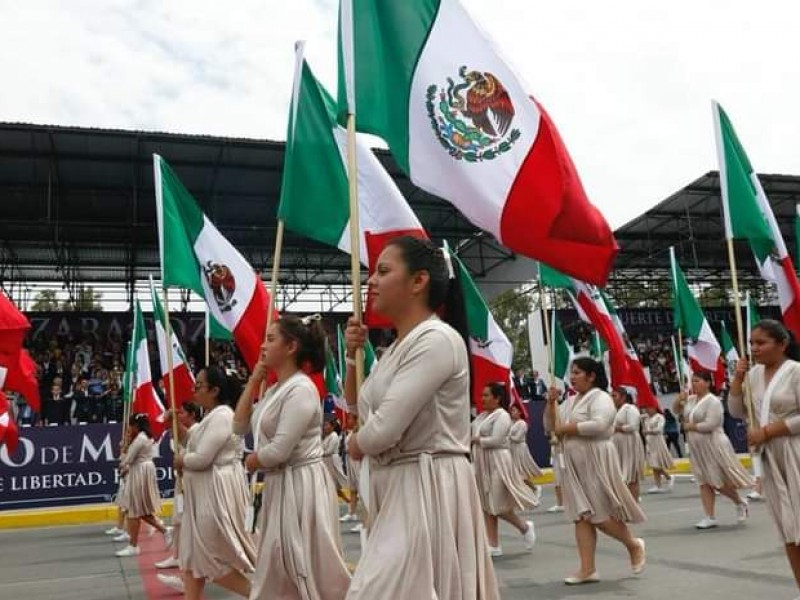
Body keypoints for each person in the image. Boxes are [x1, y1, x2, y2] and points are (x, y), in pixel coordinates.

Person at [343, 236, 499, 599]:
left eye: (383, 271)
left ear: (419, 281)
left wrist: (355, 443)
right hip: (399, 483)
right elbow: (357, 407)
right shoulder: (397, 347)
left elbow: (381, 430)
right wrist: (353, 356)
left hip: (426, 484)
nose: (372, 281)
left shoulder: (436, 340)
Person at [235, 315, 350, 600]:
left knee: (306, 564)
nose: (262, 346)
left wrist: (251, 461)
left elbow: (279, 451)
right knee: (278, 562)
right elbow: (238, 426)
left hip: (300, 485)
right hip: (280, 484)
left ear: (291, 347)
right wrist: (254, 379)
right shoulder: (275, 390)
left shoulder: (301, 389)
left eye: (271, 339)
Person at [545, 357, 646, 585]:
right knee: (581, 516)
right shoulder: (570, 401)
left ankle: (633, 544)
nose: (572, 377)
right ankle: (587, 568)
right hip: (574, 463)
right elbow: (552, 426)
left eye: (578, 372)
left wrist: (567, 428)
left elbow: (599, 425)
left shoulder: (601, 398)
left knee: (598, 515)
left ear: (591, 376)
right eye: (572, 372)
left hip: (596, 459)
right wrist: (551, 404)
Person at [729, 320, 800, 591]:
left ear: (781, 344)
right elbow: (737, 411)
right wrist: (737, 378)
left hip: (795, 451)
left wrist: (769, 430)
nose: (754, 348)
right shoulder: (753, 375)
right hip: (772, 458)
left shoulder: (796, 372)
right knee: (788, 529)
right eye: (751, 343)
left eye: (761, 343)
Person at [173, 369, 255, 599]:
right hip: (201, 495)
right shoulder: (210, 416)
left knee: (210, 558)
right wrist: (175, 425)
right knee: (193, 558)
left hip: (214, 493)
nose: (194, 390)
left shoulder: (223, 416)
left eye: (199, 385)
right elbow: (191, 438)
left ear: (215, 390)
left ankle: (259, 594)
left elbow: (202, 458)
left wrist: (182, 460)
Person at [675, 371, 753, 529]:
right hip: (697, 447)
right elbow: (678, 411)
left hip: (713, 444)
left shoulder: (713, 401)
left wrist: (691, 426)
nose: (694, 384)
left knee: (716, 481)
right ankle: (709, 516)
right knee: (703, 481)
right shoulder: (690, 400)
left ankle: (739, 502)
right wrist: (678, 400)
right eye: (693, 381)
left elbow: (712, 424)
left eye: (697, 380)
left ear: (707, 383)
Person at [471, 382, 538, 557]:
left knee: (498, 504)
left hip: (498, 461)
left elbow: (497, 439)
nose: (483, 398)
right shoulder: (481, 416)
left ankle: (524, 527)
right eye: (483, 395)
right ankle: (493, 544)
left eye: (486, 395)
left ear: (497, 398)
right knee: (487, 504)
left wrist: (477, 440)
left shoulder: (502, 416)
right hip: (482, 462)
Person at [154, 402, 203, 592]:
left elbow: (197, 456)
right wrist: (170, 423)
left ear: (191, 415)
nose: (179, 415)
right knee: (180, 525)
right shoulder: (191, 432)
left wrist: (183, 461)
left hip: (194, 486)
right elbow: (180, 440)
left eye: (181, 413)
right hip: (184, 484)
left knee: (192, 533)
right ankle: (183, 569)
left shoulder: (199, 429)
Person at [115, 414, 171, 557]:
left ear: (136, 426)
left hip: (140, 472)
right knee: (139, 509)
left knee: (134, 508)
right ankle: (165, 531)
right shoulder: (144, 437)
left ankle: (133, 545)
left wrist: (124, 448)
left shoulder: (140, 439)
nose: (129, 428)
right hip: (141, 471)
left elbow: (127, 459)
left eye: (130, 426)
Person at [612, 387, 646, 501]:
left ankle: (634, 501)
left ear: (623, 397)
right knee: (621, 475)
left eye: (614, 396)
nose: (612, 399)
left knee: (631, 475)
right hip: (618, 446)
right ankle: (626, 502)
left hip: (629, 443)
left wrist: (618, 428)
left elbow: (633, 426)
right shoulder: (614, 411)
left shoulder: (630, 409)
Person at [509, 403, 543, 499]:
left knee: (520, 473)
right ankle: (525, 493)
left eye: (514, 410)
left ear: (520, 412)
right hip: (512, 449)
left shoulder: (523, 423)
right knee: (514, 473)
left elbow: (517, 438)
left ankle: (535, 487)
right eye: (511, 411)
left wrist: (507, 436)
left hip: (520, 449)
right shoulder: (510, 423)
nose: (512, 412)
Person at [642, 406, 675, 493]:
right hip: (650, 442)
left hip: (658, 441)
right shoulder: (646, 419)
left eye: (648, 408)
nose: (647, 410)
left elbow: (659, 429)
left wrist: (648, 432)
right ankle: (660, 483)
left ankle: (667, 478)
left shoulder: (660, 417)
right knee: (653, 464)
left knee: (656, 463)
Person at [340, 412, 362, 530]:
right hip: (349, 460)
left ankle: (365, 518)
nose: (348, 420)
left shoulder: (360, 431)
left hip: (357, 461)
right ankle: (351, 512)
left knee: (362, 489)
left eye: (350, 418)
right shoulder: (349, 432)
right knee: (352, 488)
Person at [322, 414, 350, 505]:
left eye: (326, 425)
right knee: (331, 485)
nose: (325, 427)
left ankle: (348, 499)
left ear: (332, 426)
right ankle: (346, 500)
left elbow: (329, 451)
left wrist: (319, 453)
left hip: (332, 461)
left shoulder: (334, 436)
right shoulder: (325, 437)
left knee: (333, 483)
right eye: (324, 425)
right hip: (326, 462)